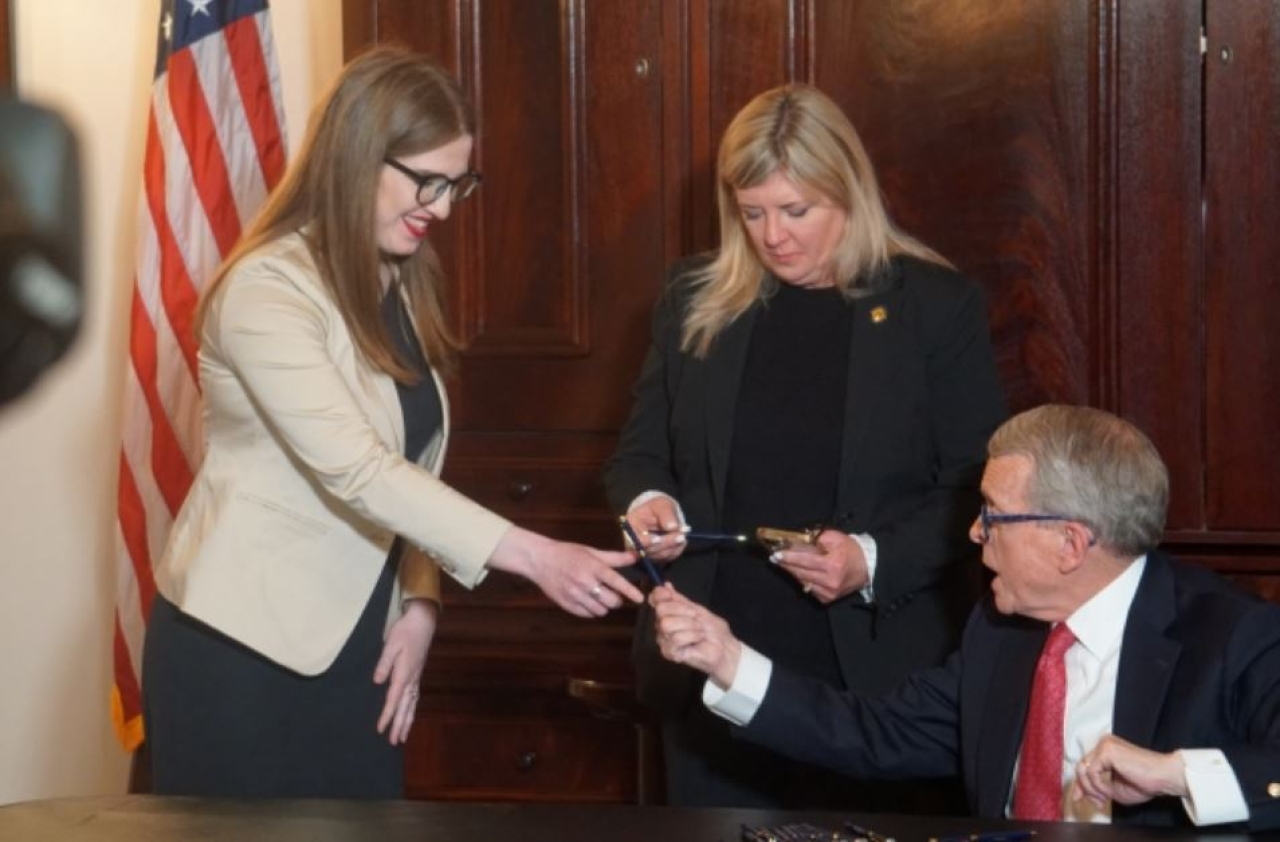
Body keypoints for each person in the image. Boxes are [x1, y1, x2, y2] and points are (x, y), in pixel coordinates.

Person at [141, 46, 643, 799]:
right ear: (356, 156)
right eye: (427, 181)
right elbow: (359, 468)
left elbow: (412, 469)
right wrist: (538, 557)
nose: (442, 208)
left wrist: (420, 605)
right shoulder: (265, 289)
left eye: (457, 184)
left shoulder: (400, 281)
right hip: (242, 652)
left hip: (361, 652)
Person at [603, 83, 1006, 808]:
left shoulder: (934, 308)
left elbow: (976, 483)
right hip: (709, 666)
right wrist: (649, 501)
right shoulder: (692, 300)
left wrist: (871, 560)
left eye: (796, 211)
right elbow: (639, 454)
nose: (773, 236)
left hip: (872, 682)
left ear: (848, 193)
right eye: (752, 213)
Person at [652, 404, 1280, 831]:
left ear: (1070, 542)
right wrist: (728, 660)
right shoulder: (1002, 633)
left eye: (994, 514)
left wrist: (1175, 774)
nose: (975, 533)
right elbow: (878, 735)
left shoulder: (1231, 636)